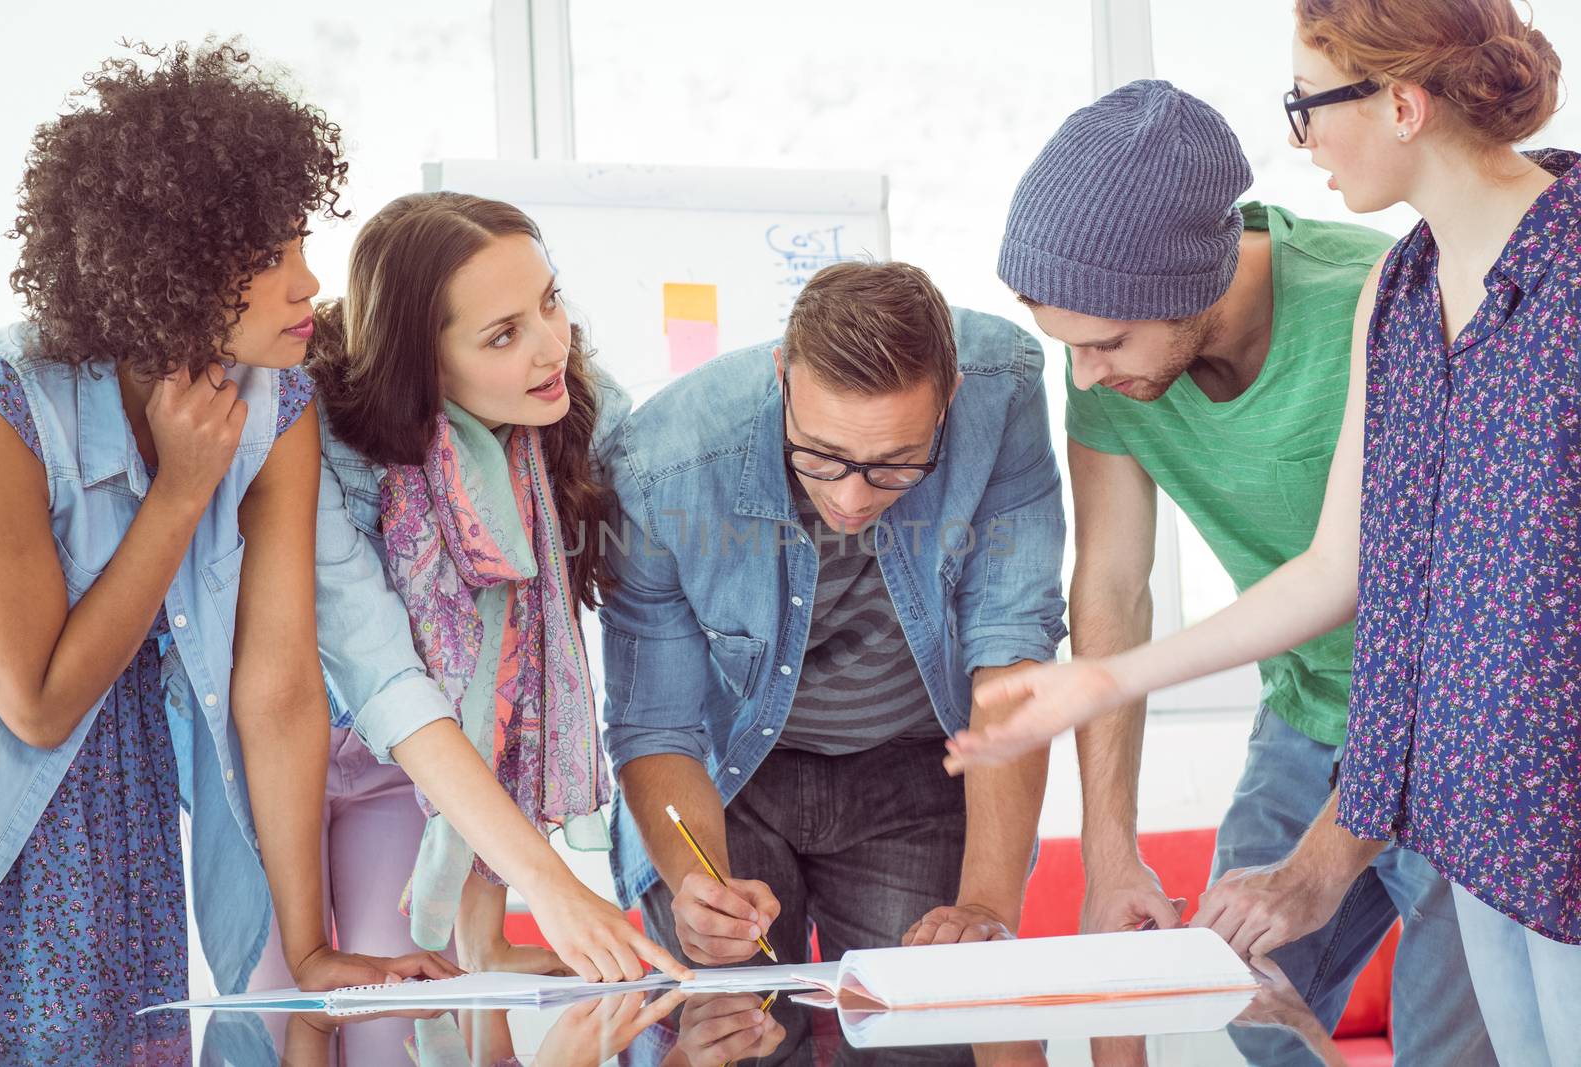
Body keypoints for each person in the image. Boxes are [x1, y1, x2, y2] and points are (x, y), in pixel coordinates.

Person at [952, 1, 1580, 1061]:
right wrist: (1100, 684)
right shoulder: (1406, 288)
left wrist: (1335, 850)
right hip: (1401, 735)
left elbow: (1431, 610)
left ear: (1400, 101)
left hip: (1507, 756)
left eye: (1305, 104)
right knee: (1239, 1002)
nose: (1294, 141)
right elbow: (1340, 570)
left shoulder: (1469, 280)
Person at [0, 41, 447, 1065]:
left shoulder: (273, 403)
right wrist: (182, 492)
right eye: (273, 252)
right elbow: (36, 700)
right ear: (173, 262)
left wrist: (310, 944)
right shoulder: (2, 403)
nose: (310, 281)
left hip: (129, 815)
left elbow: (277, 692)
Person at [601, 260, 1067, 973]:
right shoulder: (661, 464)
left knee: (923, 1037)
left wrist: (985, 906)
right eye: (821, 456)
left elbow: (1011, 639)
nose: (851, 499)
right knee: (737, 1036)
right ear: (783, 375)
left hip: (918, 769)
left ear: (950, 400)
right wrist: (700, 887)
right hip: (726, 780)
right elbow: (655, 721)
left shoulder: (1000, 388)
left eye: (897, 463)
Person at [305, 191, 690, 986]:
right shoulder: (329, 446)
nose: (553, 347)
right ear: (424, 361)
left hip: (415, 779)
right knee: (305, 1016)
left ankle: (482, 941)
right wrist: (551, 888)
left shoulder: (574, 402)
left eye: (550, 301)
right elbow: (394, 680)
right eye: (504, 334)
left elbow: (503, 681)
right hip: (310, 741)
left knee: (411, 1020)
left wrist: (505, 925)